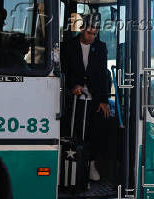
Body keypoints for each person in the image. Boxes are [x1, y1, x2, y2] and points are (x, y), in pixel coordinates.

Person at [62, 14, 110, 181]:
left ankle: (91, 165)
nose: (92, 37)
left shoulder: (101, 47)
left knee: (95, 132)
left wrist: (104, 100)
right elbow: (64, 72)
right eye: (89, 33)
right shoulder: (67, 46)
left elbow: (103, 75)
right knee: (72, 132)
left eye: (95, 33)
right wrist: (72, 86)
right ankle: (71, 167)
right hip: (73, 99)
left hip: (94, 98)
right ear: (82, 29)